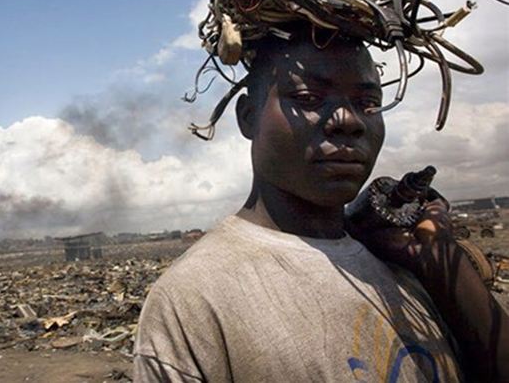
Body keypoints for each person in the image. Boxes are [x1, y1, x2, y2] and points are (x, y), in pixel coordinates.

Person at [132, 28, 509, 382]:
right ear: (248, 117)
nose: (348, 121)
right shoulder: (195, 297)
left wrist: (445, 269)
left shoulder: (406, 263)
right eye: (309, 99)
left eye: (368, 103)